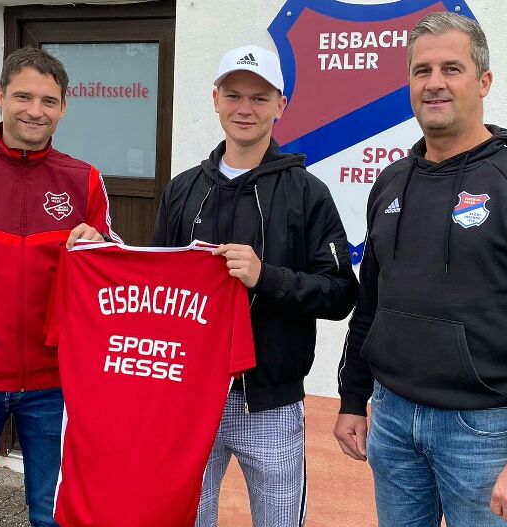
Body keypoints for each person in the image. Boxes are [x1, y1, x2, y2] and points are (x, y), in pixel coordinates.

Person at [334, 12, 507, 527]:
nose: (434, 83)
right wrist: (352, 397)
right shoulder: (390, 182)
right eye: (421, 70)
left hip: (485, 430)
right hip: (392, 419)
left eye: (452, 68)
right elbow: (372, 302)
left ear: (484, 81)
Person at [151, 44, 358, 526]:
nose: (245, 109)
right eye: (234, 95)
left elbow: (340, 293)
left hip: (271, 400)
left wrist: (268, 277)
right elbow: (155, 289)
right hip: (191, 396)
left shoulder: (308, 193)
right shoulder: (183, 189)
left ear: (281, 106)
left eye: (260, 98)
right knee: (183, 516)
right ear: (215, 99)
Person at [0, 46, 119, 527]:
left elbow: (109, 277)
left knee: (54, 513)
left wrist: (101, 243)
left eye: (48, 101)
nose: (34, 111)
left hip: (54, 383)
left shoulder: (83, 179)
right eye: (22, 96)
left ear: (64, 107)